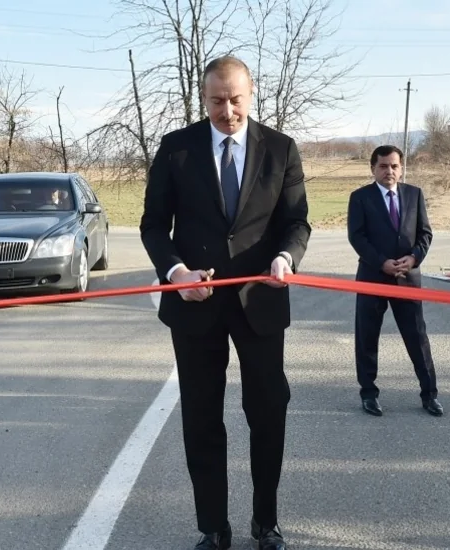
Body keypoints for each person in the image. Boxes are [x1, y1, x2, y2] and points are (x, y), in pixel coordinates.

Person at [139, 55, 311, 550]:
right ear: (204, 98)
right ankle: (213, 527)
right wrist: (175, 272)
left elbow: (297, 222)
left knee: (268, 412)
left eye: (236, 100)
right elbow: (154, 225)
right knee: (201, 417)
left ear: (250, 95)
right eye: (217, 101)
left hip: (261, 301)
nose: (227, 111)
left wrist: (285, 256)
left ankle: (266, 522)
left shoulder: (280, 149)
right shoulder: (176, 150)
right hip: (195, 304)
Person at [347, 145, 442, 418]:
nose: (389, 171)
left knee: (417, 338)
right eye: (383, 166)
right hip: (372, 279)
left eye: (394, 166)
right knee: (367, 338)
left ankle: (430, 395)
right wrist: (381, 263)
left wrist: (413, 258)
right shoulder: (360, 198)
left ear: (401, 167)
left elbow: (425, 234)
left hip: (408, 279)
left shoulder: (414, 194)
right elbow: (357, 237)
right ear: (373, 168)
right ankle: (369, 394)